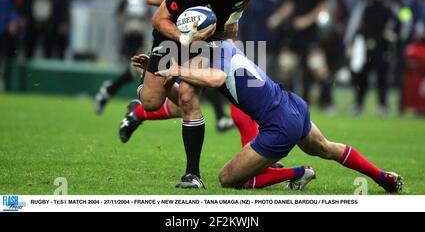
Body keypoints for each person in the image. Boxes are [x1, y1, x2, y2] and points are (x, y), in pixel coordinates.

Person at [150, 40, 403, 193]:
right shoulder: (224, 46)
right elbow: (186, 99)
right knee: (326, 147)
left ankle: (298, 172)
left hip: (278, 124)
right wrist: (164, 74)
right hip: (292, 105)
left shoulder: (211, 61)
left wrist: (175, 69)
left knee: (229, 179)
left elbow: (215, 78)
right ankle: (383, 177)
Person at [122, 0, 266, 189]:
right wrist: (185, 38)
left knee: (189, 96)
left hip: (208, 41)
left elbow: (238, 7)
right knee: (151, 102)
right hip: (171, 38)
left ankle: (192, 175)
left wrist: (231, 29)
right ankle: (151, 86)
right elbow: (159, 20)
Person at [95, 0, 234, 131]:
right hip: (170, 36)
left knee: (191, 99)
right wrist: (187, 3)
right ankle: (140, 104)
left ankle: (227, 138)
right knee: (154, 102)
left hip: (203, 39)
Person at [268, 0, 332, 110]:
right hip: (294, 35)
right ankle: (286, 103)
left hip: (310, 36)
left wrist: (305, 20)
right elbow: (290, 5)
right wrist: (277, 17)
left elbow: (322, 8)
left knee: (319, 69)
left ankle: (328, 102)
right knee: (285, 68)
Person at [345, 0, 400, 116]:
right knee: (360, 75)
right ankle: (358, 104)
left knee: (383, 75)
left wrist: (396, 33)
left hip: (383, 44)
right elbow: (355, 21)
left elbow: (403, 17)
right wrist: (349, 42)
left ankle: (383, 106)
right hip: (364, 43)